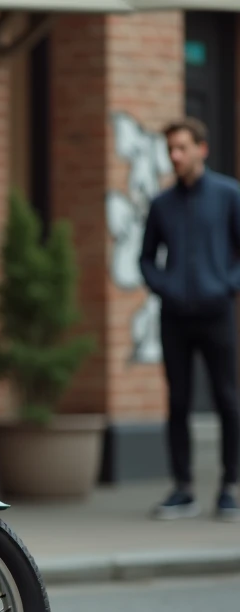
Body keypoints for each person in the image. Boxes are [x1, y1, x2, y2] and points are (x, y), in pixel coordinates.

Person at [140, 117, 240, 521]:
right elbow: (146, 258)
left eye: (181, 148)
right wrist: (165, 287)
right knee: (177, 401)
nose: (174, 156)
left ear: (202, 149)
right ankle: (182, 488)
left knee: (227, 399)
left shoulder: (229, 194)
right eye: (170, 150)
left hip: (217, 314)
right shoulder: (161, 204)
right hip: (175, 318)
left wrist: (225, 286)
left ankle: (229, 486)